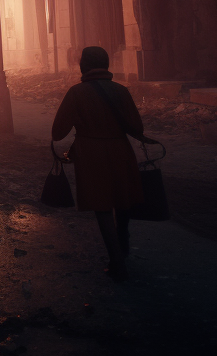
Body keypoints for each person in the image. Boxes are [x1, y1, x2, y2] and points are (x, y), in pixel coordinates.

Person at [50, 45, 157, 280]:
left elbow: (58, 132)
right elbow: (137, 128)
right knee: (122, 199)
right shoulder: (121, 91)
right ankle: (124, 239)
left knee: (102, 207)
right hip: (120, 150)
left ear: (83, 66)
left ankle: (117, 261)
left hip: (91, 155)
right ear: (107, 65)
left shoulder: (76, 93)